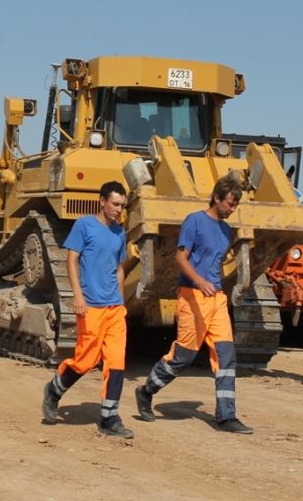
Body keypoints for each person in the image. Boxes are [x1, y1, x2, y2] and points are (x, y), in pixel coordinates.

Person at [135, 174, 253, 434]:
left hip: (216, 299)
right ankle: (146, 391)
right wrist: (199, 282)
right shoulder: (194, 222)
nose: (232, 209)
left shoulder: (226, 230)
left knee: (226, 356)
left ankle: (226, 416)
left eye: (236, 205)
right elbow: (180, 257)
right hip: (191, 296)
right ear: (217, 198)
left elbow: (215, 262)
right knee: (183, 357)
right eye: (230, 204)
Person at [41, 181, 133, 438]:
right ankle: (54, 389)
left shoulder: (119, 232)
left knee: (116, 362)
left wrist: (122, 301)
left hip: (114, 308)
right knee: (86, 360)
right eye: (115, 204)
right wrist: (77, 295)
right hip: (91, 305)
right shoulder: (84, 225)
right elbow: (72, 259)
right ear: (102, 201)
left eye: (122, 206)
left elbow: (119, 268)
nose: (118, 209)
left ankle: (110, 417)